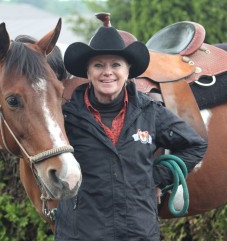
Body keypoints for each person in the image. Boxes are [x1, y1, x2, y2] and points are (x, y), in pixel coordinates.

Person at [54, 25, 207, 241]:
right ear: (88, 72)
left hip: (139, 232)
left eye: (116, 65)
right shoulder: (67, 117)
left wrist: (155, 177)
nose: (107, 72)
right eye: (98, 65)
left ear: (127, 71)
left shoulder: (150, 111)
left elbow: (195, 144)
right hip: (82, 233)